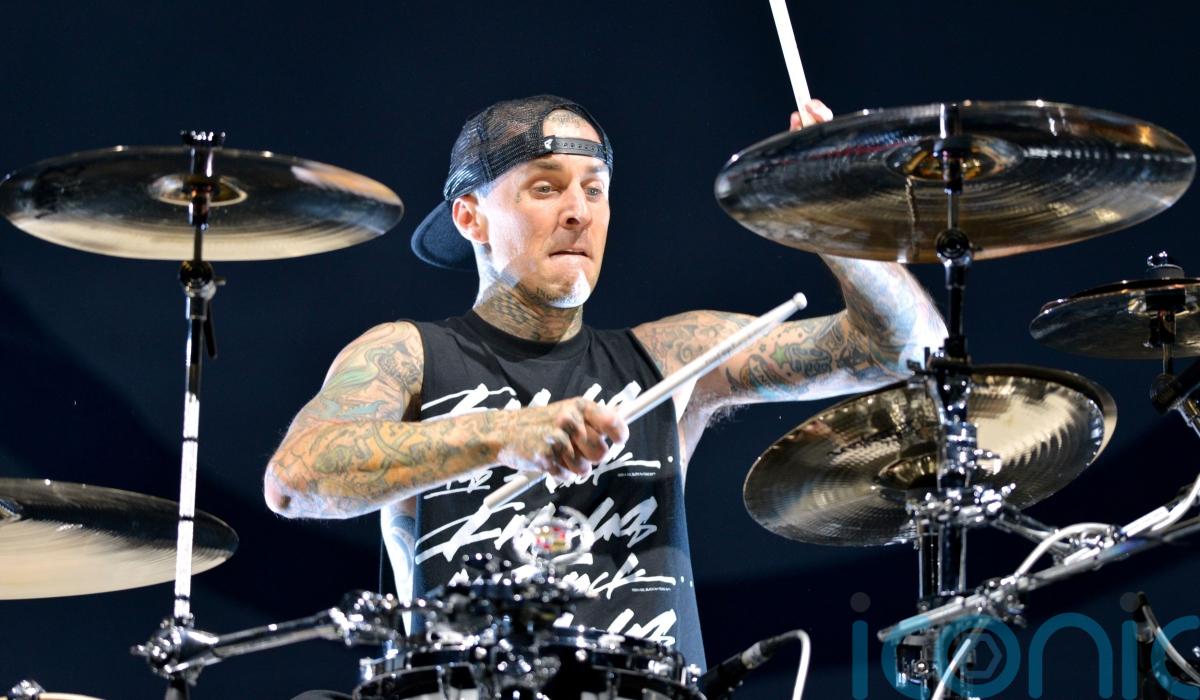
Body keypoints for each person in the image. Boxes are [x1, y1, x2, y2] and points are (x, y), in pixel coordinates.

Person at [264, 95, 946, 677]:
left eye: (594, 189)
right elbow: (294, 482)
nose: (578, 212)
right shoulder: (406, 355)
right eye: (545, 187)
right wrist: (501, 434)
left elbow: (906, 349)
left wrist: (834, 207)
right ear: (470, 217)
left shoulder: (673, 358)